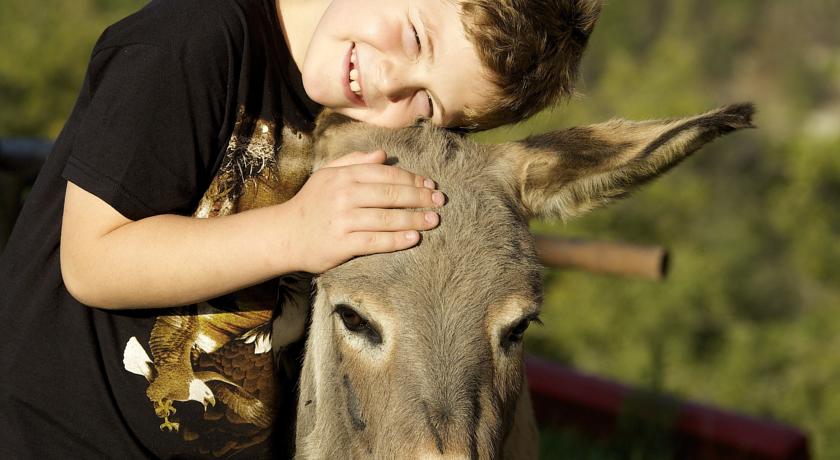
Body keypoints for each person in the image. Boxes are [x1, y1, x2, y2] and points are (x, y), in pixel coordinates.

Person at [0, 0, 600, 457]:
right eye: (415, 36)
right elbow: (91, 261)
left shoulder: (365, 117)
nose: (391, 85)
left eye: (428, 106)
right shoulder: (192, 42)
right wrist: (293, 232)